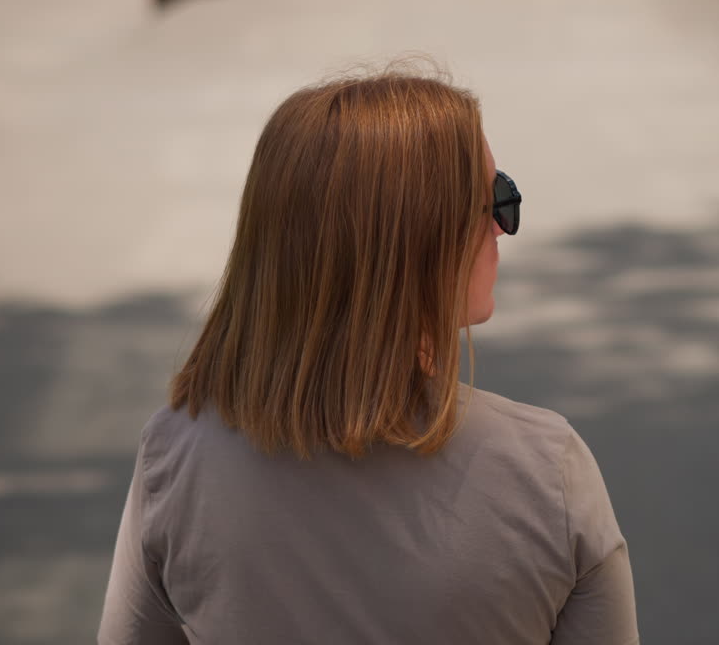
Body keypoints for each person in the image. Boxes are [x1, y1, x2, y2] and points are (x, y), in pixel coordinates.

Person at [98, 67, 638, 644]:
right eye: (493, 202)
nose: (503, 229)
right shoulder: (546, 473)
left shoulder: (176, 459)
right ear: (420, 245)